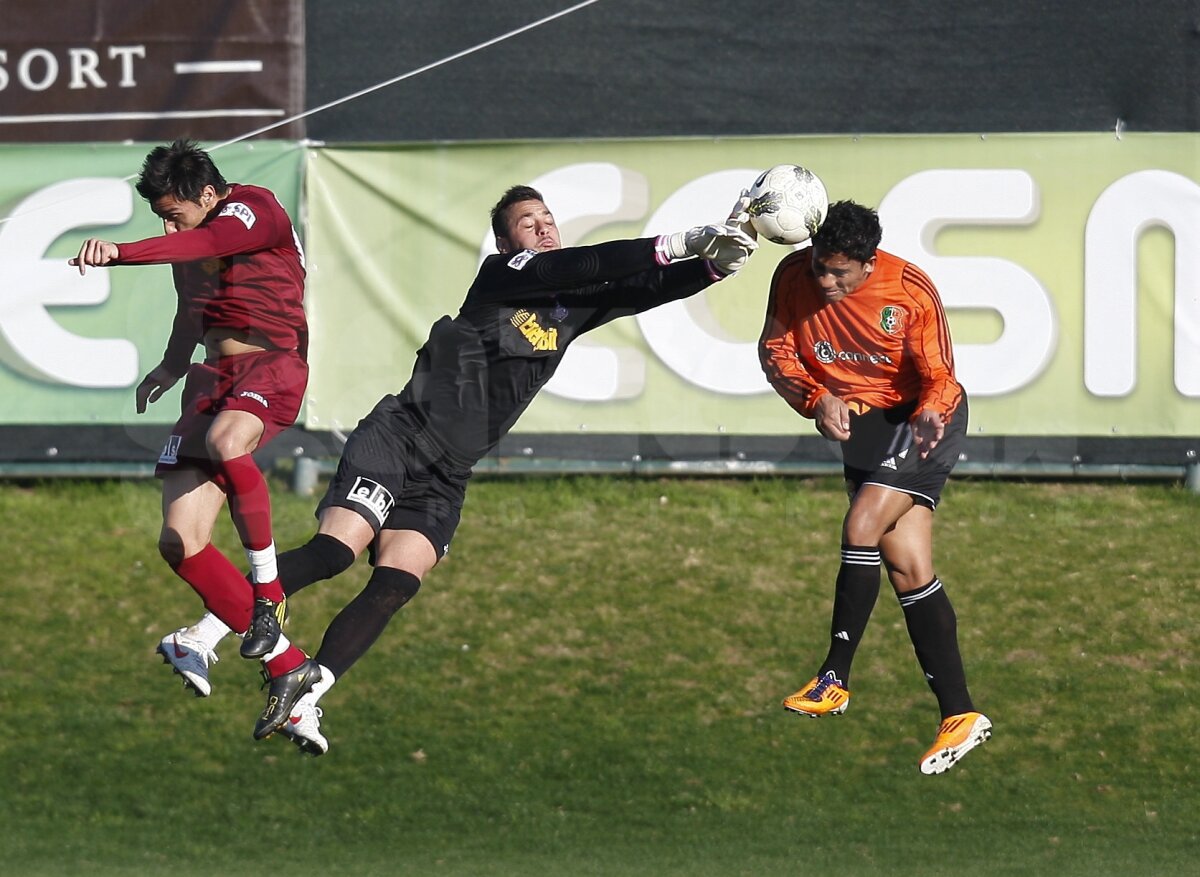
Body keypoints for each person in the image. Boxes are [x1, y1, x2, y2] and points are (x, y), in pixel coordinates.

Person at [158, 184, 758, 751]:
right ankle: (204, 632)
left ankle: (307, 694)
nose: (543, 227)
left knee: (396, 582)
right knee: (336, 552)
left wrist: (714, 265)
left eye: (548, 218)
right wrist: (679, 241)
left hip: (449, 470)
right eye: (528, 222)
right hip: (400, 436)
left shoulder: (571, 309)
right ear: (504, 244)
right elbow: (588, 265)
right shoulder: (503, 277)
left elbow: (640, 287)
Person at [70, 139, 317, 733]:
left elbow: (211, 241)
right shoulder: (191, 238)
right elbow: (192, 310)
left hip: (271, 366)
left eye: (171, 211)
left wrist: (121, 253)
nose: (166, 222)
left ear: (208, 193)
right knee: (180, 542)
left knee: (231, 442)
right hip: (211, 380)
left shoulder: (253, 209)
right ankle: (290, 667)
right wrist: (169, 365)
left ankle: (268, 592)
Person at [757, 200, 990, 775]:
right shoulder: (792, 276)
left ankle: (835, 674)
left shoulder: (909, 290)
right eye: (820, 267)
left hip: (921, 421)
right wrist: (816, 400)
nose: (827, 281)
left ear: (869, 263)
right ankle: (959, 713)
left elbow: (941, 376)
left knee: (861, 525)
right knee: (908, 567)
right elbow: (775, 350)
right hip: (863, 429)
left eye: (840, 272)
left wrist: (933, 412)